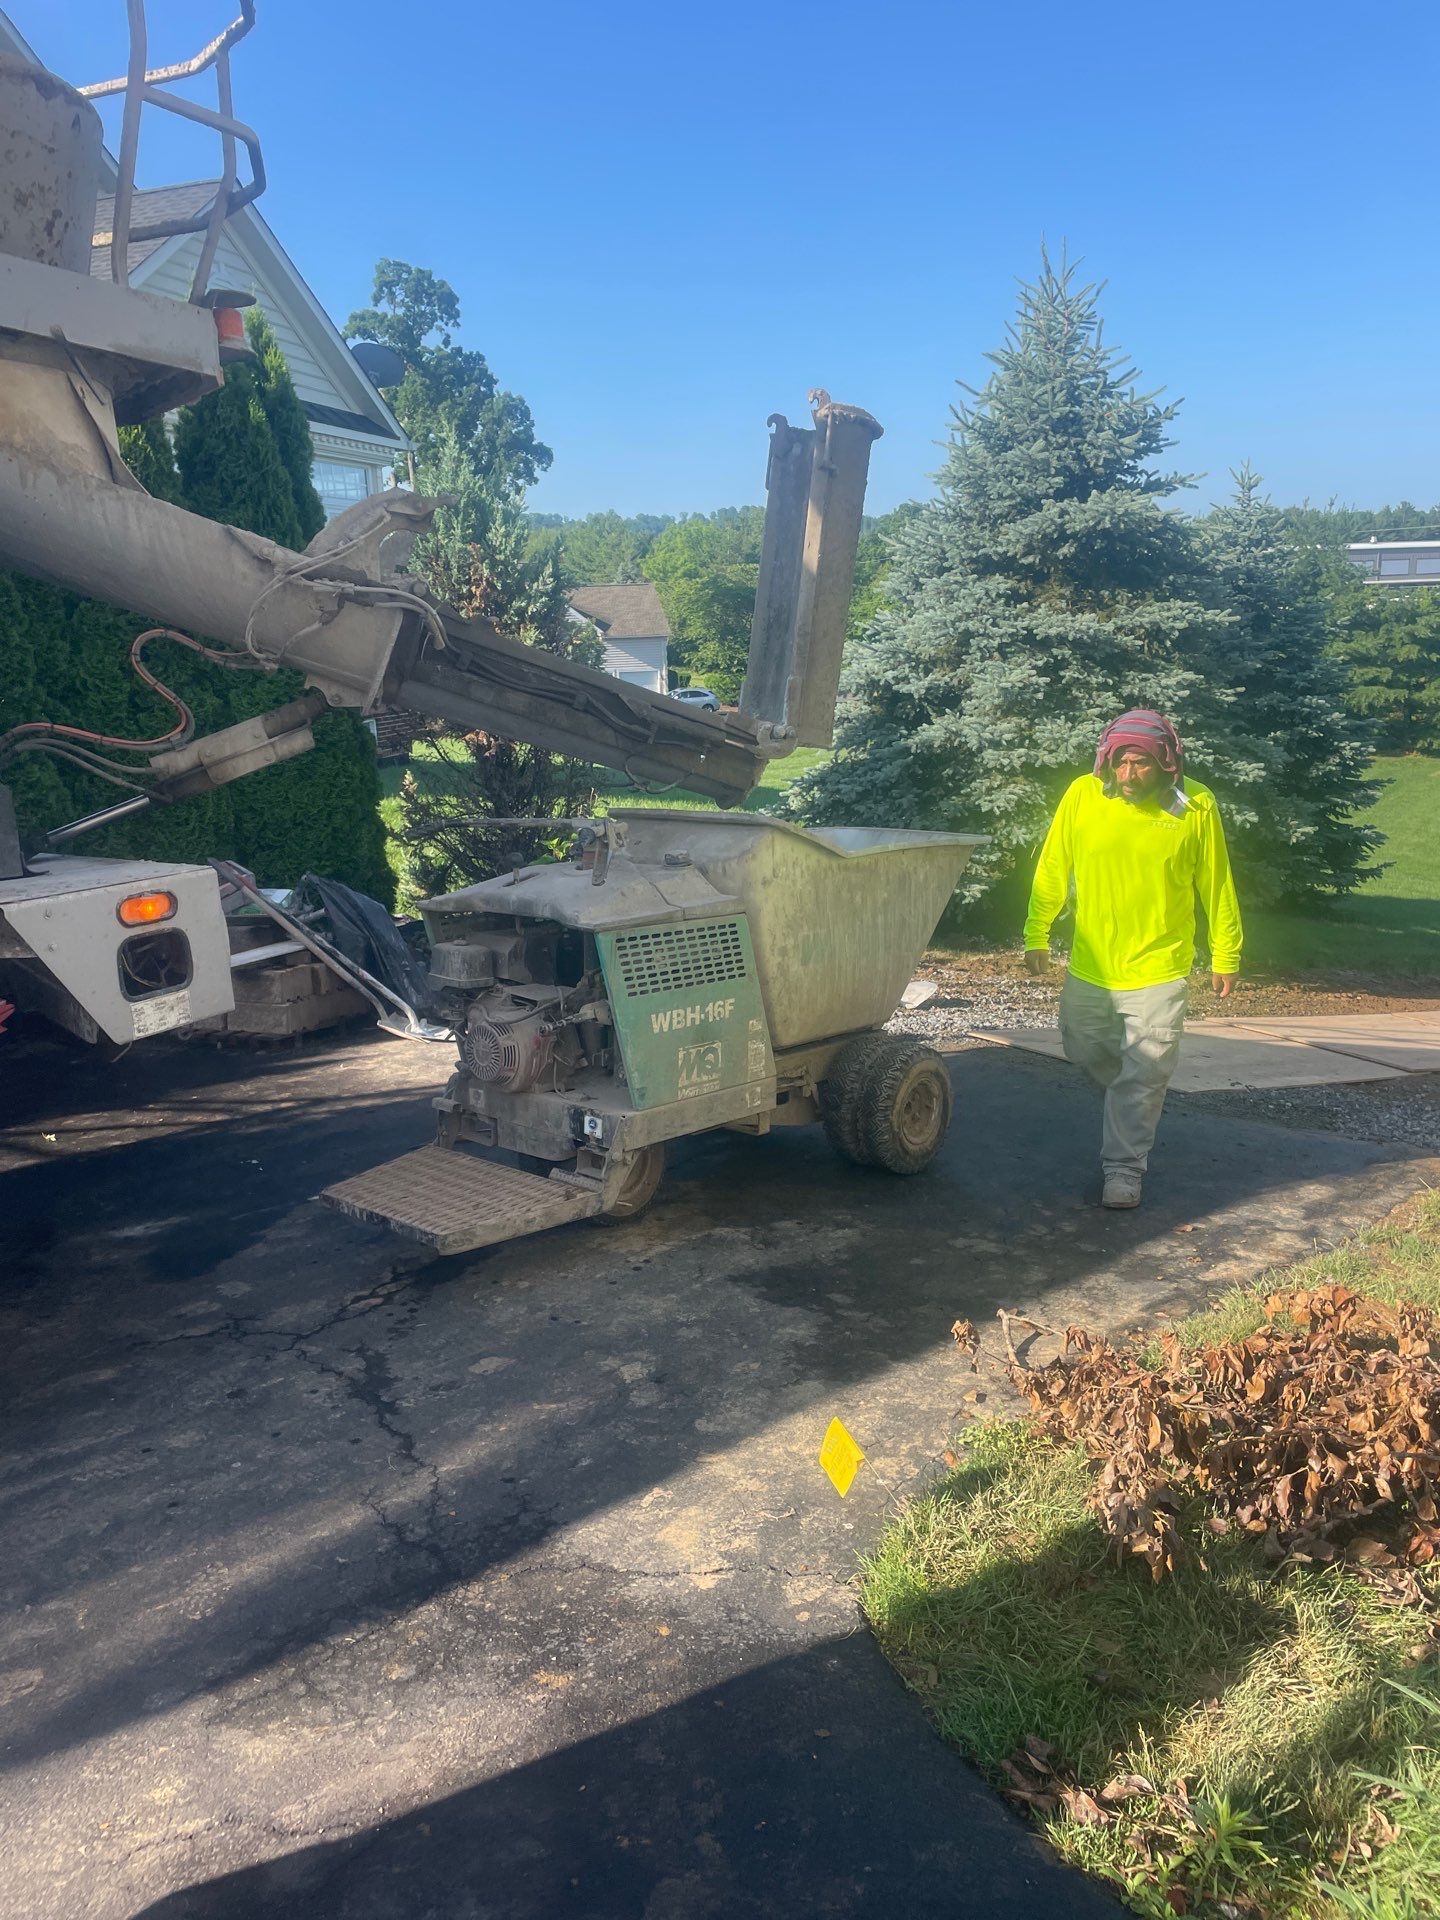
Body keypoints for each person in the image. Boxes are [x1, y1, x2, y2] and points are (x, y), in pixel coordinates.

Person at [1022, 709, 1243, 1210]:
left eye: (1140, 763)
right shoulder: (1083, 795)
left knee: (1144, 1072)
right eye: (1120, 762)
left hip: (1160, 968)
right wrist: (1037, 930)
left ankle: (1123, 1168)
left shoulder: (1196, 806)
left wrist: (1225, 952)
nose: (1127, 774)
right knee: (1084, 1048)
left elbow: (1217, 884)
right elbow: (1053, 866)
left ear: (1166, 764)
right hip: (1092, 966)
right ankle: (1132, 1100)